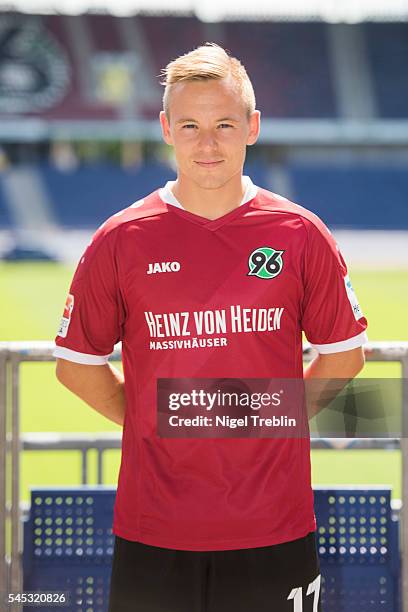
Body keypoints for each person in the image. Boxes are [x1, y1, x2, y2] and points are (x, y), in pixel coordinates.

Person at [54, 43, 368, 612]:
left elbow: (344, 355)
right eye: (191, 125)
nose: (207, 143)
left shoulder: (300, 233)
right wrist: (153, 419)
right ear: (166, 129)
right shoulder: (120, 240)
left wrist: (265, 419)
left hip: (274, 524)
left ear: (252, 126)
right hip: (154, 527)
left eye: (224, 124)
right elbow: (76, 366)